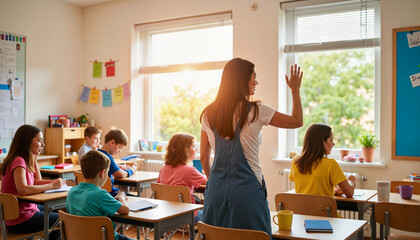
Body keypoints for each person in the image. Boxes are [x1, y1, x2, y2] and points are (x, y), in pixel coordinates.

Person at [200, 58, 303, 237]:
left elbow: (203, 157)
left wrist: (215, 182)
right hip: (247, 194)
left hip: (215, 192)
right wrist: (295, 91)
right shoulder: (257, 110)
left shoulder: (208, 114)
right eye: (253, 77)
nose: (256, 82)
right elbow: (297, 121)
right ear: (242, 80)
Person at [0, 124, 65, 239]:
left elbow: (35, 181)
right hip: (20, 219)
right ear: (27, 142)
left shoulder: (21, 159)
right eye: (39, 141)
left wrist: (34, 158)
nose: (43, 145)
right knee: (63, 220)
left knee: (56, 211)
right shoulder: (18, 161)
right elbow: (23, 189)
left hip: (21, 214)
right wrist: (50, 185)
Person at [66, 150, 135, 240]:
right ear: (102, 173)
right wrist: (121, 197)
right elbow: (125, 210)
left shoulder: (71, 192)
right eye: (108, 173)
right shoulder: (100, 194)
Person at [289, 123, 356, 198]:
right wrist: (351, 181)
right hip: (324, 209)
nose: (333, 144)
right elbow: (349, 193)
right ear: (322, 142)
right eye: (331, 140)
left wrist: (333, 190)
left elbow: (309, 190)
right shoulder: (330, 164)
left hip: (300, 209)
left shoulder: (295, 162)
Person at [157, 133, 207, 222]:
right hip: (187, 215)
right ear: (185, 150)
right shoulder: (189, 170)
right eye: (193, 146)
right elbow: (208, 182)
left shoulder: (163, 168)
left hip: (167, 214)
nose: (196, 149)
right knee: (211, 213)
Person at [98, 128, 137, 197]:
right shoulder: (107, 157)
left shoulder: (97, 153)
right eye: (120, 147)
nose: (120, 151)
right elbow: (121, 174)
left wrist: (117, 168)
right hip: (109, 193)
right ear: (112, 142)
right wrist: (132, 169)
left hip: (100, 192)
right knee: (136, 198)